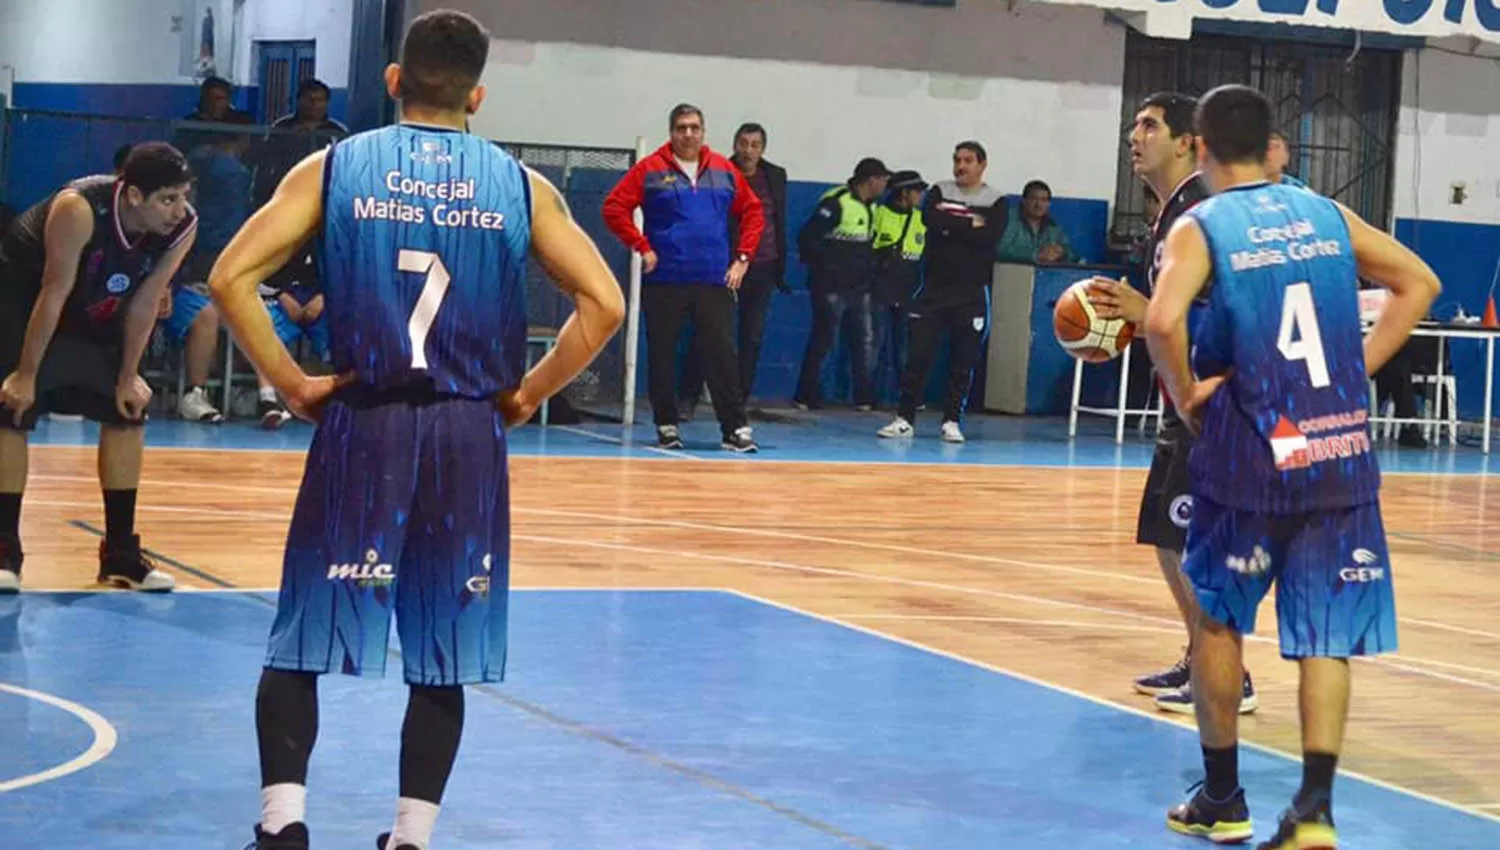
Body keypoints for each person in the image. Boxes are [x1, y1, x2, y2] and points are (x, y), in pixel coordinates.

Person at [207, 10, 625, 850]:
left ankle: (283, 825)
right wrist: (526, 395)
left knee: (305, 633)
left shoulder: (336, 166)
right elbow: (605, 305)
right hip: (468, 433)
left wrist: (290, 381)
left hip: (365, 421)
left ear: (394, 81)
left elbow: (229, 278)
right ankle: (409, 839)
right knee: (445, 645)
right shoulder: (520, 184)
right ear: (478, 94)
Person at [1144, 83, 1439, 849]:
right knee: (1325, 636)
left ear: (1201, 149)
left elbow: (1161, 320)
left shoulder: (1203, 224)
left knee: (1217, 620)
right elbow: (1420, 283)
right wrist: (1357, 366)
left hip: (1253, 447)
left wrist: (1186, 397)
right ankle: (1313, 811)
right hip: (1337, 449)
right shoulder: (1325, 213)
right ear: (1274, 143)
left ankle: (1222, 796)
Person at [1088, 92, 1258, 716]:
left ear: (1188, 141)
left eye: (1150, 125)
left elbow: (1231, 306)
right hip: (1178, 400)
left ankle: (1230, 675)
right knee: (1165, 536)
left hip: (1212, 403)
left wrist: (1148, 313)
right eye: (1134, 123)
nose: (1135, 135)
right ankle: (1199, 654)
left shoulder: (1204, 210)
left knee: (1196, 543)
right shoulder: (1168, 213)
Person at [0, 143, 196, 593]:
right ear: (132, 196)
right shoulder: (79, 209)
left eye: (183, 195)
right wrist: (26, 374)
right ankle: (5, 548)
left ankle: (121, 554)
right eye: (167, 198)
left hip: (95, 302)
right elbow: (53, 292)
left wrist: (128, 375)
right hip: (25, 298)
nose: (178, 209)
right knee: (11, 408)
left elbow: (147, 300)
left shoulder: (183, 227)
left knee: (127, 409)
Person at [602, 104, 763, 452]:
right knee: (663, 354)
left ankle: (735, 428)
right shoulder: (650, 170)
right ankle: (667, 425)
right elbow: (613, 207)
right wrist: (641, 246)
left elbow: (753, 211)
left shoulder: (724, 169)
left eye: (694, 127)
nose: (688, 134)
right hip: (665, 279)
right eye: (681, 128)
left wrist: (743, 259)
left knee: (722, 354)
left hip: (714, 279)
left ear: (703, 132)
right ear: (671, 132)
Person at [876, 141, 1005, 443]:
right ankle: (905, 418)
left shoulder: (997, 200)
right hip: (933, 290)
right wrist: (969, 223)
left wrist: (954, 225)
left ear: (982, 165)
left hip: (971, 292)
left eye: (968, 161)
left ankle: (951, 420)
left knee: (963, 361)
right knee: (917, 357)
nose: (961, 166)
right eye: (957, 160)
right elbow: (931, 220)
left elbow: (989, 235)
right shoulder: (939, 191)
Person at [793, 157, 889, 410]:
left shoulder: (873, 207)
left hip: (859, 287)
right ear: (870, 180)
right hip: (831, 287)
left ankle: (864, 397)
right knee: (825, 340)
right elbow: (807, 239)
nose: (884, 185)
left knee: (863, 342)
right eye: (882, 180)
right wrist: (827, 271)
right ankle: (806, 394)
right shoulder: (836, 203)